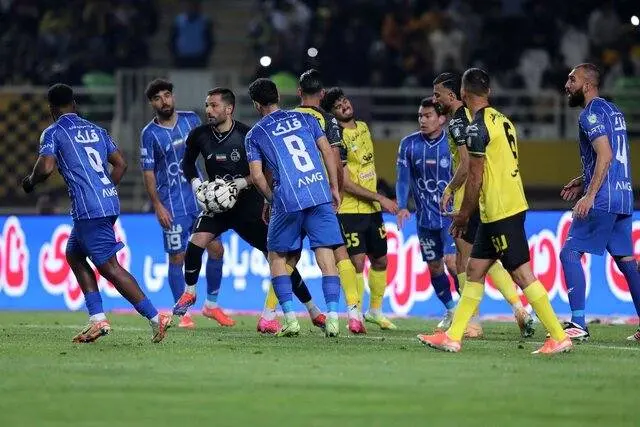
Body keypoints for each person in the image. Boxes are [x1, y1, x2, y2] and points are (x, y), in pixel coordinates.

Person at [419, 69, 572, 354]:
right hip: (502, 207)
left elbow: (475, 176)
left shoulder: (476, 128)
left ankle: (558, 335)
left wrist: (464, 214)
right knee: (474, 270)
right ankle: (454, 336)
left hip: (501, 210)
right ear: (488, 91)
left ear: (463, 93)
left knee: (522, 275)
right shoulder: (503, 120)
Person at [21, 83, 171, 343]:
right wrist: (105, 191)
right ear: (74, 104)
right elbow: (121, 164)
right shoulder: (97, 130)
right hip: (106, 202)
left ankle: (156, 318)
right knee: (74, 254)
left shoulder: (54, 132)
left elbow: (45, 167)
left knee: (110, 267)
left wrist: (30, 181)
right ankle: (97, 319)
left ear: (51, 109)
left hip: (88, 209)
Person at [171, 86, 326, 334]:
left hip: (248, 207)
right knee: (195, 243)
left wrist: (239, 184)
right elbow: (187, 163)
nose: (208, 110)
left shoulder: (247, 135)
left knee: (277, 259)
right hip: (218, 206)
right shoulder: (199, 135)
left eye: (214, 105)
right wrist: (197, 183)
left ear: (229, 109)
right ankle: (190, 292)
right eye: (207, 105)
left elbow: (264, 170)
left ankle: (313, 310)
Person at [432, 71, 535, 338]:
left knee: (464, 260)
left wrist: (450, 188)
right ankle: (519, 309)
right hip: (489, 195)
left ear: (453, 95)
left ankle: (473, 322)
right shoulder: (477, 116)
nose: (434, 100)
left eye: (437, 95)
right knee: (484, 259)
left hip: (470, 195)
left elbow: (467, 164)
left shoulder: (458, 121)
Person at [245, 78, 344, 337]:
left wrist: (271, 199)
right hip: (318, 191)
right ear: (278, 96)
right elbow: (327, 151)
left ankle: (290, 319)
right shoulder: (306, 118)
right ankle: (333, 318)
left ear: (256, 104)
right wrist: (333, 186)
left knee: (277, 257)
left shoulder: (255, 134)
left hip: (288, 198)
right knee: (325, 254)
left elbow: (257, 176)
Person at [140, 78, 230, 329]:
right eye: (157, 98)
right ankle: (183, 314)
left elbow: (209, 149)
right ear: (152, 103)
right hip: (171, 205)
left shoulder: (191, 120)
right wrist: (157, 205)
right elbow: (148, 173)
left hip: (200, 200)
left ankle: (211, 305)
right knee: (177, 257)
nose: (164, 101)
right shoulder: (149, 134)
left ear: (173, 97)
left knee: (217, 250)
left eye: (167, 95)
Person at [561, 63, 640, 342]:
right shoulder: (613, 111)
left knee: (569, 253)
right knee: (626, 261)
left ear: (587, 85)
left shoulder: (589, 114)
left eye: (572, 80)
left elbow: (605, 155)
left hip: (604, 198)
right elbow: (611, 156)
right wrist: (583, 180)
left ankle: (578, 323)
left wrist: (590, 195)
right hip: (623, 195)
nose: (567, 85)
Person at [293, 69, 365, 334]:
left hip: (293, 194)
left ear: (299, 92)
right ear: (322, 94)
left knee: (284, 256)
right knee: (339, 252)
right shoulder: (327, 120)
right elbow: (334, 156)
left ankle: (272, 314)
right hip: (321, 195)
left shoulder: (288, 118)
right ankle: (354, 314)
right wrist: (337, 190)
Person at [321, 87, 399, 330]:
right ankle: (355, 315)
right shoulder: (337, 139)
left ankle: (375, 311)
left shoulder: (364, 127)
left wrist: (377, 198)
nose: (344, 106)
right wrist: (381, 197)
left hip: (372, 210)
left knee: (381, 260)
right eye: (337, 106)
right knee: (356, 263)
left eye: (344, 101)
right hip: (349, 210)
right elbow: (344, 182)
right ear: (333, 114)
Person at [396, 98, 458, 330]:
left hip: (451, 218)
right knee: (434, 267)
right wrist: (402, 205)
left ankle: (468, 313)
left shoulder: (453, 144)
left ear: (441, 118)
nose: (422, 120)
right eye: (420, 116)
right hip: (424, 220)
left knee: (453, 263)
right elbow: (403, 179)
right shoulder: (409, 144)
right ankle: (451, 310)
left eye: (428, 115)